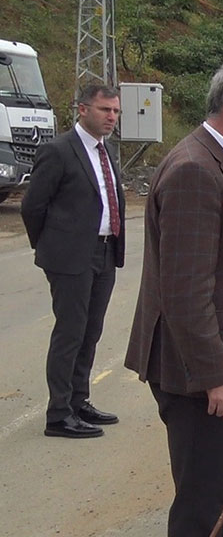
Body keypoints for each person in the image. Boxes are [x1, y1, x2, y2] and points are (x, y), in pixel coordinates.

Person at [124, 55, 223, 537]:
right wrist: (216, 375)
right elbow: (185, 292)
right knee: (203, 508)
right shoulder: (195, 169)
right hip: (202, 379)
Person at [21, 84, 126, 439]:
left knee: (90, 332)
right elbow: (33, 205)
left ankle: (80, 401)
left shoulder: (107, 152)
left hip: (105, 251)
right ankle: (58, 413)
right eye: (104, 110)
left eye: (115, 111)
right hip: (70, 257)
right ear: (82, 110)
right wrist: (51, 248)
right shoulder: (59, 151)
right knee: (70, 332)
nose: (111, 117)